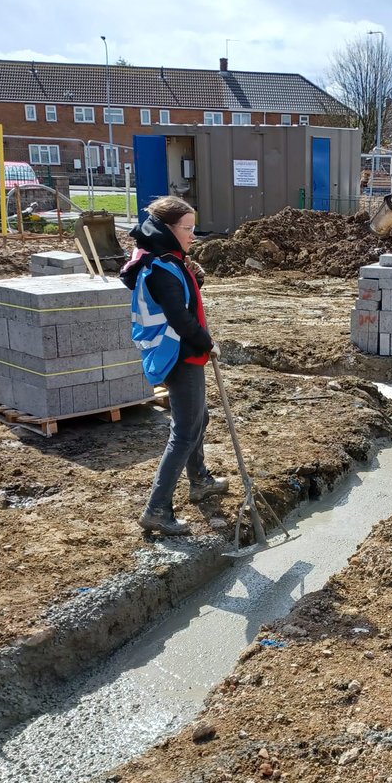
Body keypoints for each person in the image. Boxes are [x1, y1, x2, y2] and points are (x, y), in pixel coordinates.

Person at [120, 196, 228, 535]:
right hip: (177, 354)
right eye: (188, 229)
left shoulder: (165, 260)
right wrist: (207, 343)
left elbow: (184, 296)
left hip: (180, 351)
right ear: (167, 229)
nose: (194, 236)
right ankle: (156, 509)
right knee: (185, 431)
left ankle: (199, 480)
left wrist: (192, 272)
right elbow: (180, 319)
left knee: (199, 418)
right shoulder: (161, 269)